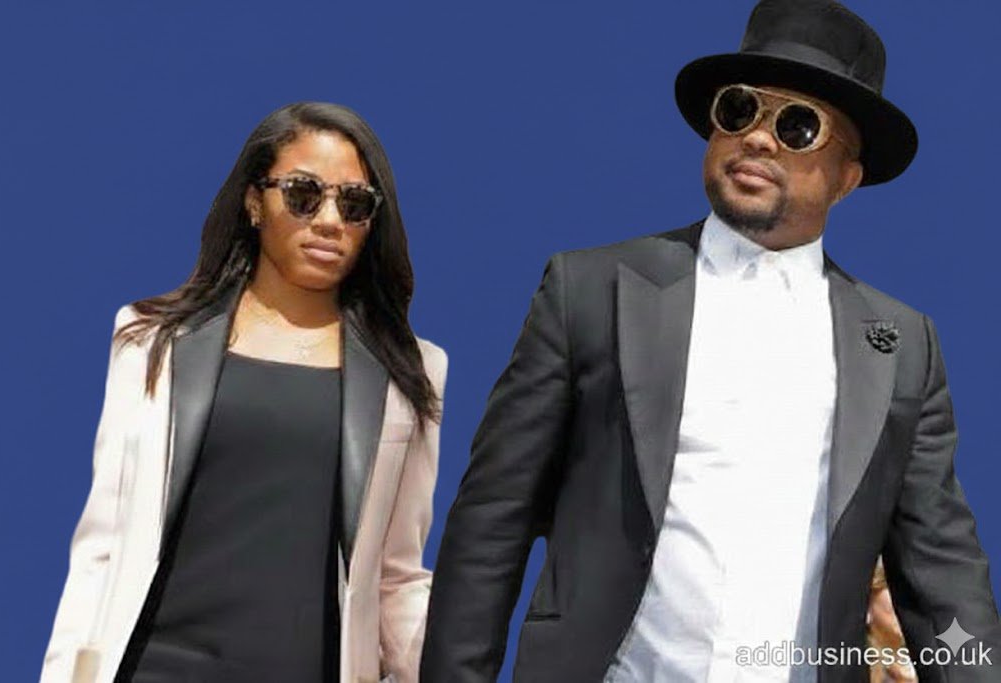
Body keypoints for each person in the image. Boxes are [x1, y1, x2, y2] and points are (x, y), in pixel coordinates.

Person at [421, 2, 999, 681]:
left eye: (797, 126)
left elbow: (942, 576)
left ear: (847, 178)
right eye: (740, 109)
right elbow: (493, 520)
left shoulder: (901, 347)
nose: (758, 139)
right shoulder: (590, 290)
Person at [40, 102, 447, 683]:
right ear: (255, 201)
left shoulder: (410, 372)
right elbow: (102, 546)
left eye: (354, 204)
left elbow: (396, 577)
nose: (330, 220)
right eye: (304, 194)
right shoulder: (151, 340)